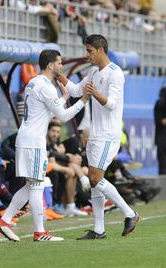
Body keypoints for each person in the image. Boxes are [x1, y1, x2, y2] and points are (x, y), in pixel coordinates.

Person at [0, 49, 90, 242]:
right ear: (50, 65)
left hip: (27, 138)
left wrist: (63, 99)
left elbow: (45, 110)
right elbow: (62, 116)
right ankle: (39, 232)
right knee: (37, 185)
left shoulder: (34, 83)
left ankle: (4, 221)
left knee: (32, 186)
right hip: (34, 142)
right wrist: (83, 100)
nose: (62, 66)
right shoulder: (46, 86)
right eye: (60, 63)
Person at [58, 34, 141, 240]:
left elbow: (111, 103)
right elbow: (77, 90)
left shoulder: (115, 73)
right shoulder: (93, 71)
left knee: (95, 178)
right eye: (86, 51)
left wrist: (94, 93)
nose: (87, 55)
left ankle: (130, 213)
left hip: (108, 134)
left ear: (101, 50)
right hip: (95, 133)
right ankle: (98, 230)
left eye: (90, 51)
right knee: (95, 183)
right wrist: (59, 74)